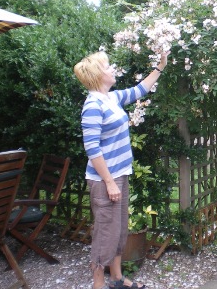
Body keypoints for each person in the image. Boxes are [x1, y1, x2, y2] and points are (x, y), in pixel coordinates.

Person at [74, 51, 169, 289]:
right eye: (108, 66)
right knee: (105, 233)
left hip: (119, 175)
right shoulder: (93, 105)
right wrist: (109, 182)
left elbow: (141, 89)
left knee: (118, 230)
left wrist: (160, 67)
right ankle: (98, 284)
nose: (112, 69)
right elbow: (92, 149)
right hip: (105, 180)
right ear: (98, 75)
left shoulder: (111, 98)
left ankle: (116, 278)